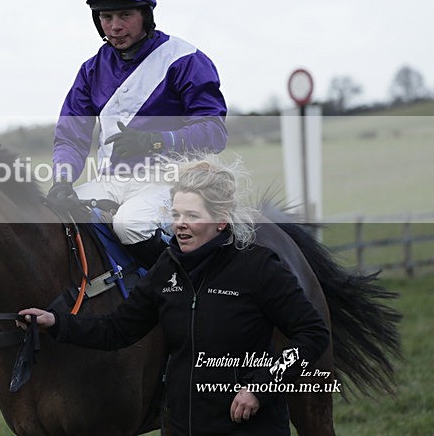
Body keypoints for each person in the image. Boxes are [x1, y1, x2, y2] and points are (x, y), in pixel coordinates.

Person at [22, 159, 330, 435]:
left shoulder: (259, 268)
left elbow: (313, 333)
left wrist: (260, 386)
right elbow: (117, 329)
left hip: (249, 426)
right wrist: (57, 323)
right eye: (175, 214)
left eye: (191, 215)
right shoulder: (166, 269)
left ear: (221, 220)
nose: (179, 224)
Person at [49, 0, 228, 268]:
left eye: (125, 15)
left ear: (146, 14)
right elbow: (71, 136)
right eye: (106, 16)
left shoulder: (185, 59)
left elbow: (214, 132)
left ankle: (181, 289)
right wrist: (62, 180)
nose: (115, 26)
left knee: (130, 224)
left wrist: (155, 141)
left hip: (170, 180)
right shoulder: (91, 70)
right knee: (54, 218)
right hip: (110, 180)